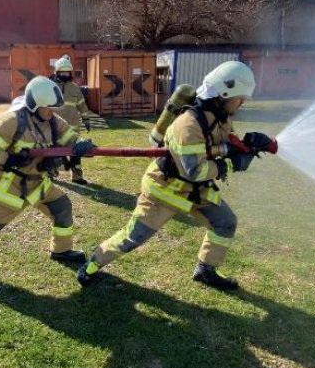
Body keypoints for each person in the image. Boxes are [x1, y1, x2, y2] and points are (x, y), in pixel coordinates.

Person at [76, 61, 277, 291]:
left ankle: (207, 270)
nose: (242, 103)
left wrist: (247, 144)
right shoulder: (188, 124)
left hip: (194, 191)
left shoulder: (219, 116)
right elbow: (194, 170)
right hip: (164, 190)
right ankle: (91, 265)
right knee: (133, 237)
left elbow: (220, 143)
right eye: (240, 98)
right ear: (224, 93)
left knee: (225, 222)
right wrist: (229, 165)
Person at [0, 76, 96, 286]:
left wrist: (82, 145)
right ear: (35, 105)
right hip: (9, 186)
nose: (52, 112)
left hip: (38, 184)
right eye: (48, 108)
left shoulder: (52, 120)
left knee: (62, 207)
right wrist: (9, 160)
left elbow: (69, 137)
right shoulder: (12, 120)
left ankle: (61, 250)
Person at [50, 54, 94, 185]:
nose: (65, 74)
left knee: (76, 152)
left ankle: (77, 177)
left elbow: (82, 105)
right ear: (57, 72)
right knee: (51, 152)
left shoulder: (75, 88)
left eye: (67, 72)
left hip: (72, 128)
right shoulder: (50, 87)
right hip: (54, 127)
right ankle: (51, 173)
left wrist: (86, 119)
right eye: (62, 72)